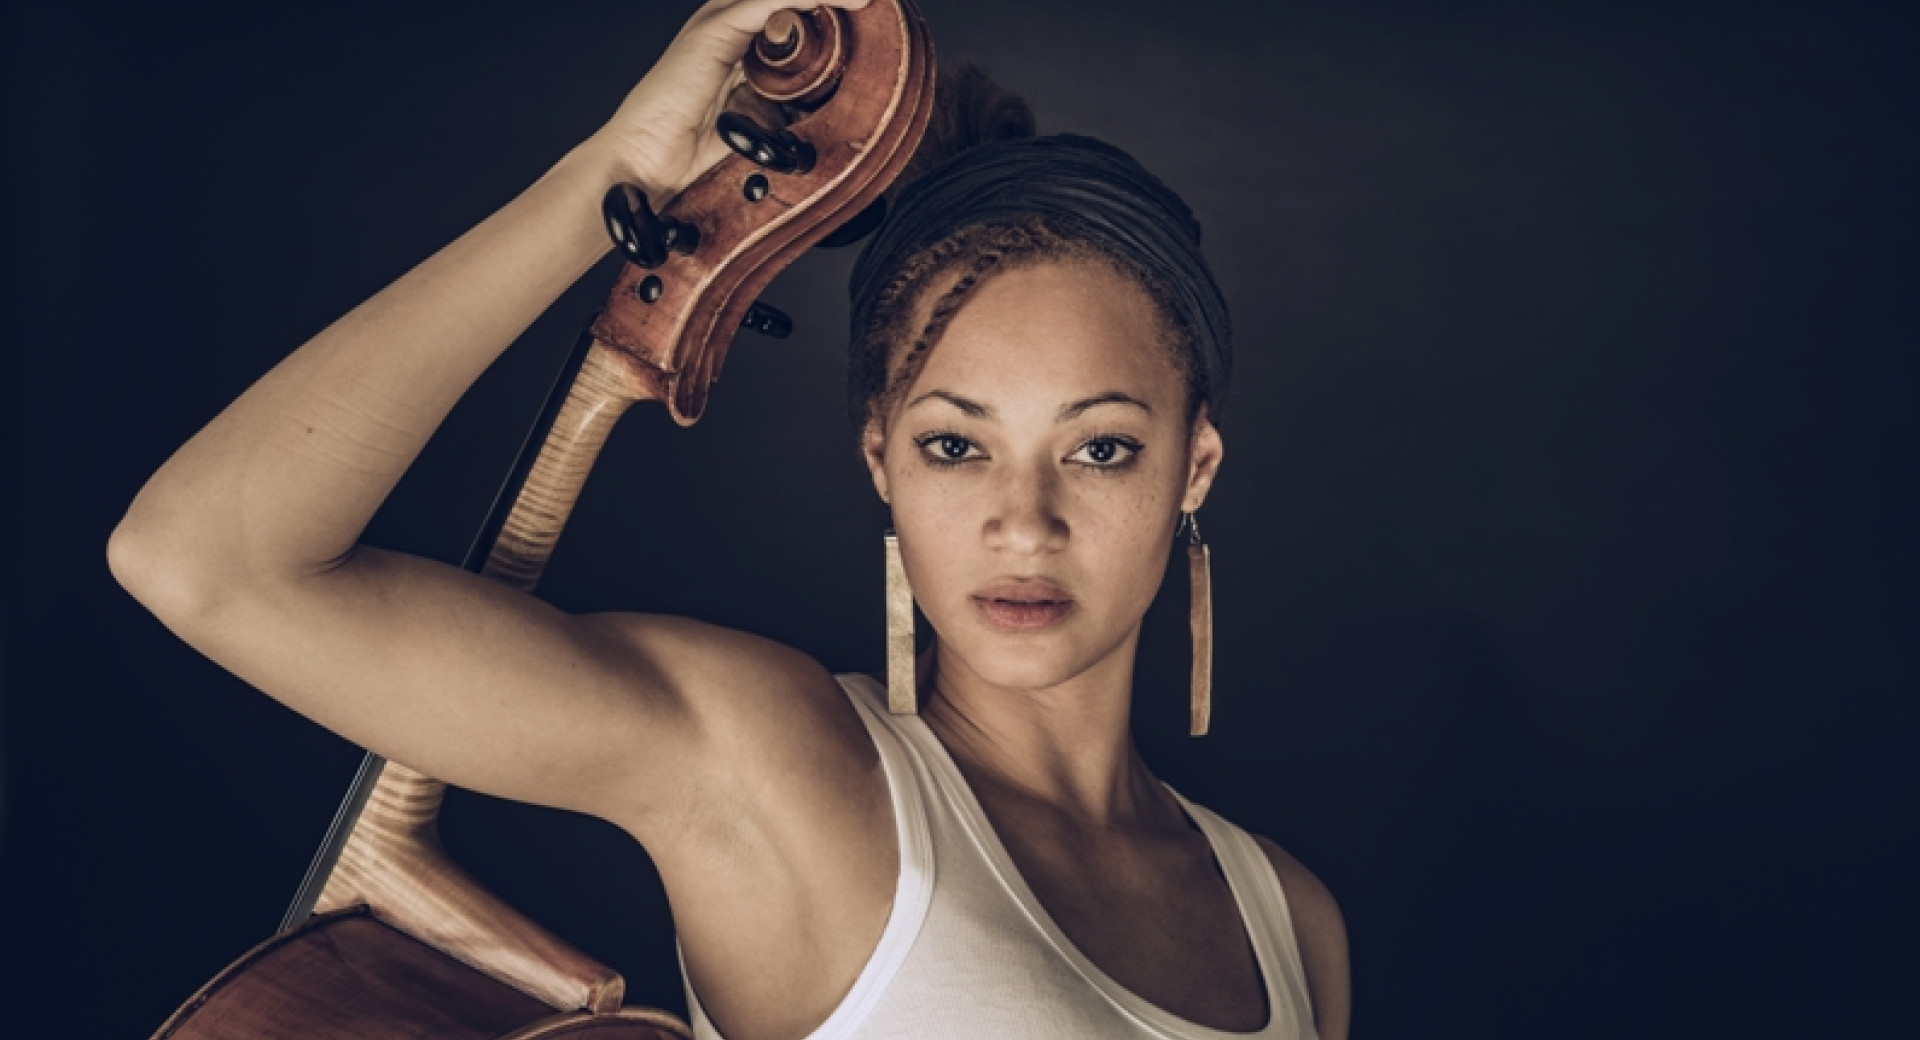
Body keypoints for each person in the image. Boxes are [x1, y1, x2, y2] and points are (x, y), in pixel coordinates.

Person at [106, 1, 1350, 1037]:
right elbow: (206, 559)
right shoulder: (772, 764)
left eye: (1102, 448)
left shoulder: (1293, 922)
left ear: (1193, 467)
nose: (1023, 523)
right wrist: (610, 179)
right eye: (954, 445)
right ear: (880, 458)